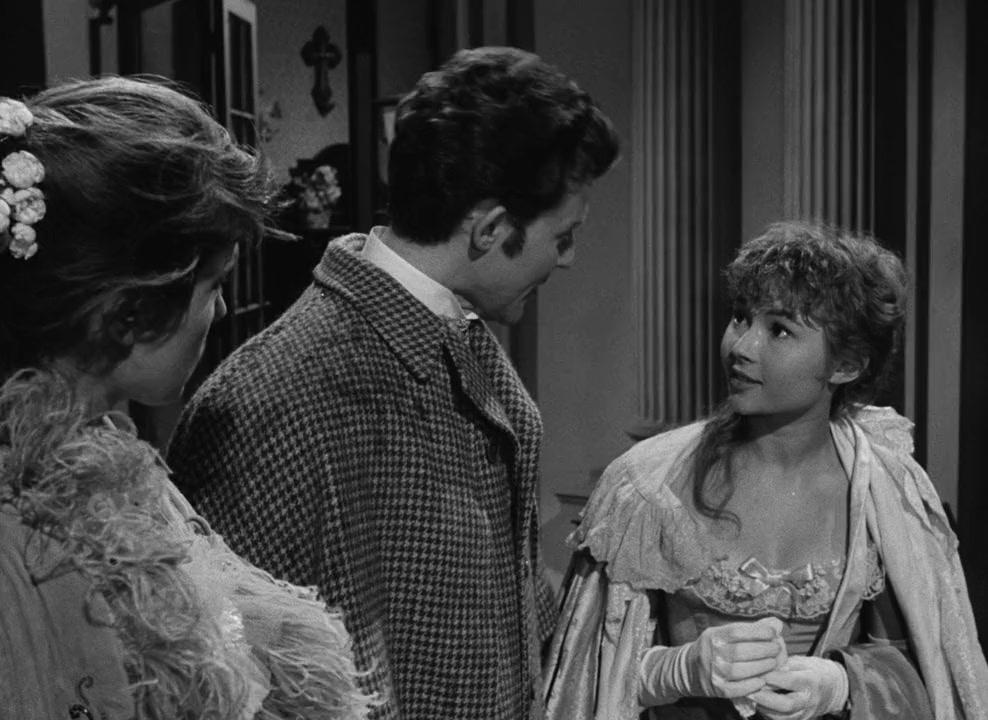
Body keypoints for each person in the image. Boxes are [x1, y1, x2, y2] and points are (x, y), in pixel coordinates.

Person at [167, 46, 620, 720]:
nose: (571, 259)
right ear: (492, 228)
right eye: (562, 237)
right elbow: (228, 681)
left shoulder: (465, 344)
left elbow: (516, 615)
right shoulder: (277, 400)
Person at [0, 77, 372, 720]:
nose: (222, 311)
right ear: (130, 313)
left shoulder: (111, 460)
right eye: (214, 285)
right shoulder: (24, 546)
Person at [543, 221, 988, 719]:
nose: (741, 347)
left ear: (846, 365)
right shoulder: (647, 485)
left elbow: (929, 670)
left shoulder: (883, 490)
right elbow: (584, 670)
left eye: (779, 330)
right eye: (740, 318)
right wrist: (674, 671)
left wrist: (842, 683)